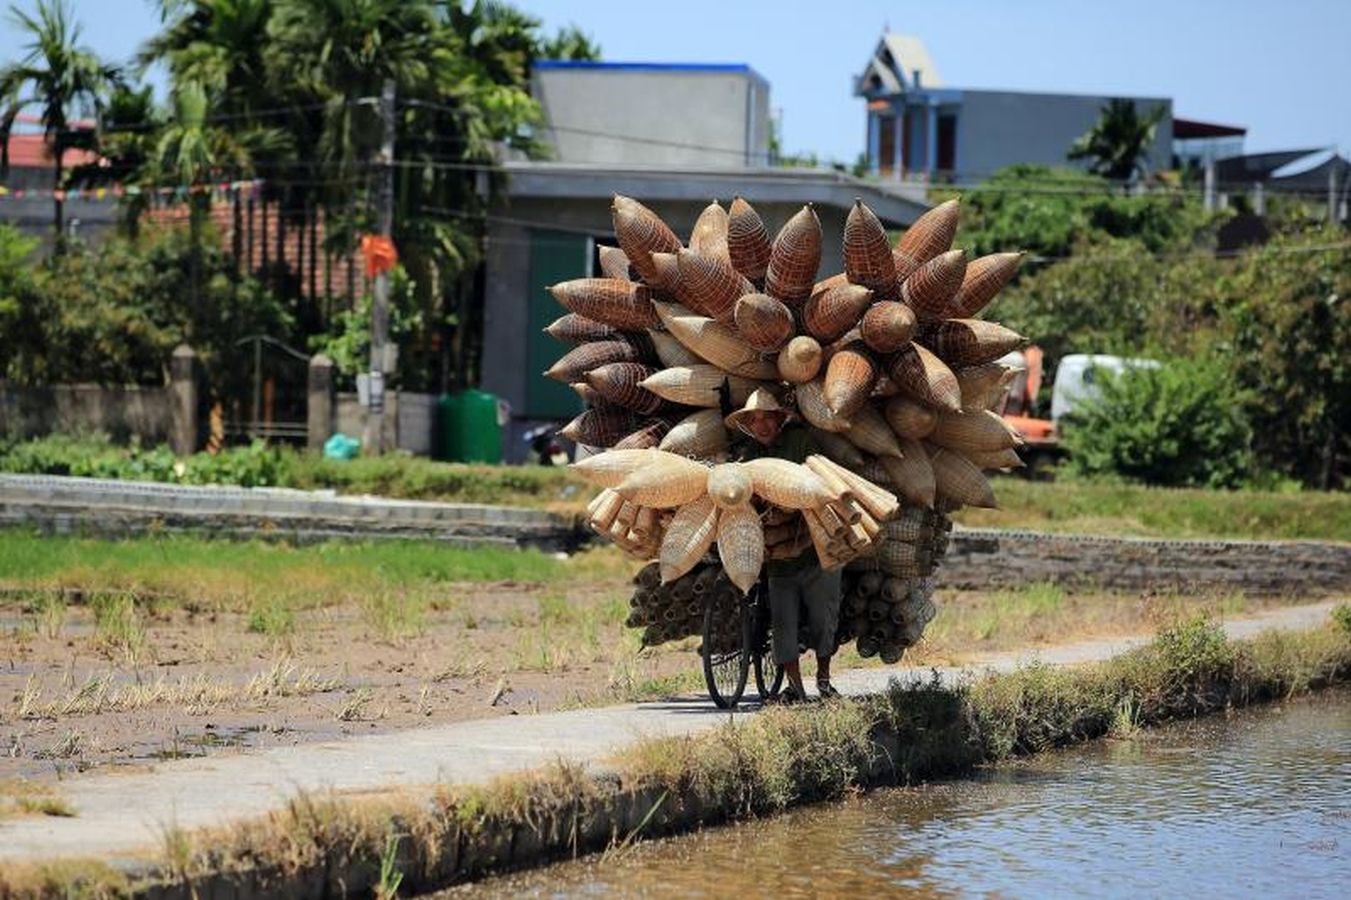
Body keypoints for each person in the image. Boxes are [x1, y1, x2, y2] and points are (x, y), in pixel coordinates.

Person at [725, 388, 843, 703]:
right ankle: (796, 688)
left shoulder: (799, 441)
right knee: (783, 624)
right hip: (777, 560)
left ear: (779, 419)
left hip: (814, 551)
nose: (761, 425)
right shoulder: (747, 457)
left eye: (766, 418)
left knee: (823, 619)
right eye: (754, 420)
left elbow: (817, 477)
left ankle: (823, 679)